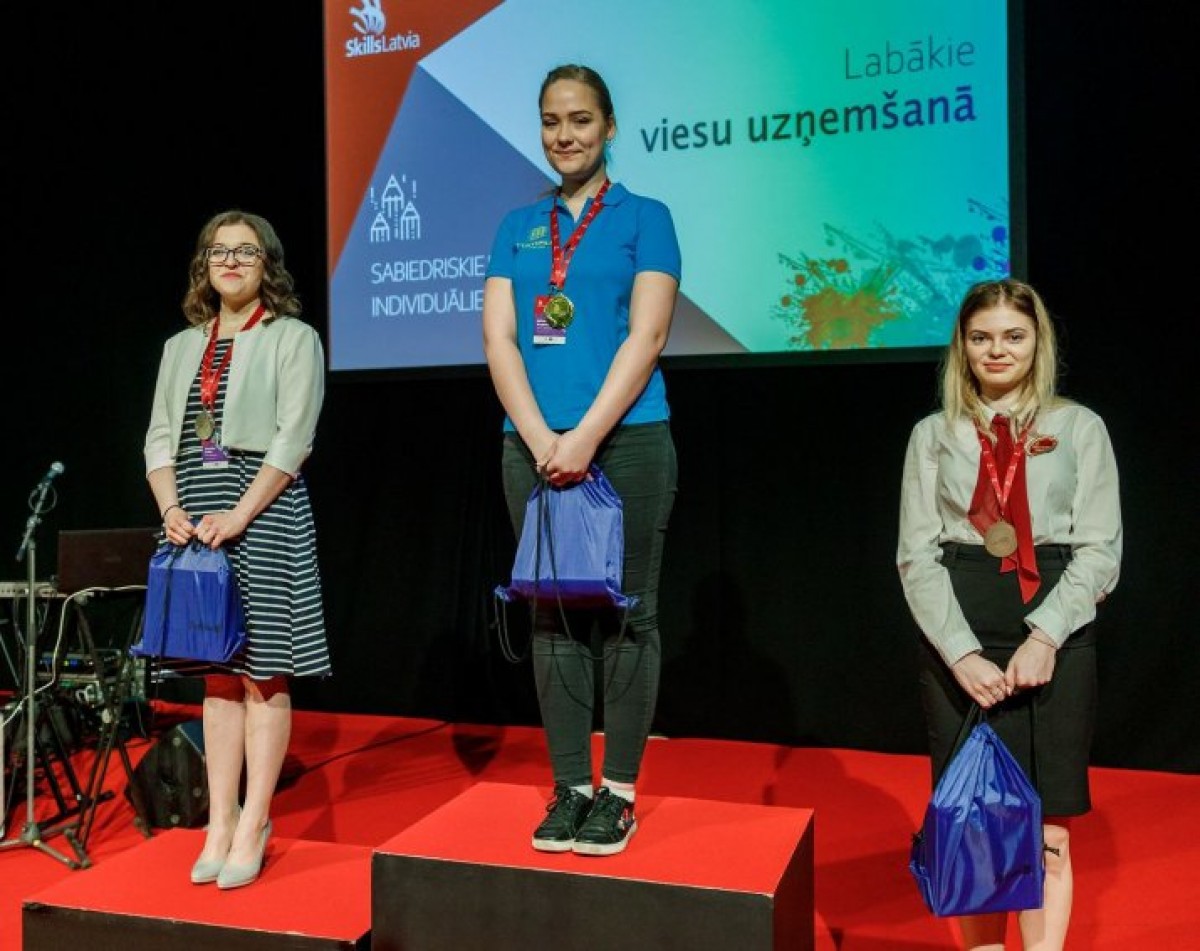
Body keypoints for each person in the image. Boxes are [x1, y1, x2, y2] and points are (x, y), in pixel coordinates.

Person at [482, 64, 681, 856]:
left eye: (580, 120)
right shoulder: (516, 225)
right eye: (551, 121)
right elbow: (500, 337)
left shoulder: (647, 216)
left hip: (628, 439)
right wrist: (540, 437)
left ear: (609, 126)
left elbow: (648, 335)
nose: (564, 135)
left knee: (629, 614)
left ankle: (618, 793)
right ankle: (570, 787)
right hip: (530, 445)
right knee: (552, 613)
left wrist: (586, 436)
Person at [897, 278, 1122, 950]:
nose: (997, 350)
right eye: (982, 337)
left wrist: (1046, 636)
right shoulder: (932, 434)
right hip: (958, 626)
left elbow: (1101, 550)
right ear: (962, 346)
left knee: (1049, 832)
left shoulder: (1079, 427)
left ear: (1037, 342)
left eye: (1013, 336)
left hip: (1055, 623)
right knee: (974, 825)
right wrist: (960, 653)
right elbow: (915, 556)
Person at [143, 209, 330, 889]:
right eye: (218, 251)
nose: (230, 261)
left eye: (245, 252)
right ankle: (218, 822)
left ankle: (254, 822)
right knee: (215, 674)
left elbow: (294, 437)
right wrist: (171, 509)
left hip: (264, 508)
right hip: (194, 509)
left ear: (266, 264)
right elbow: (159, 436)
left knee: (263, 673)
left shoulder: (293, 337)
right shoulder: (180, 347)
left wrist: (241, 513)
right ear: (204, 265)